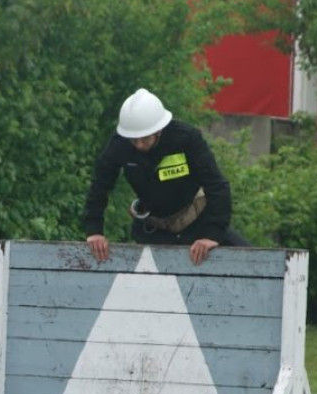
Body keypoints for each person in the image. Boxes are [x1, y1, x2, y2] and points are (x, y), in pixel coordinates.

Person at [81, 88, 249, 265]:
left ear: (158, 130)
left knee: (253, 261)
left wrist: (211, 235)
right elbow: (100, 186)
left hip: (199, 224)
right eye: (133, 139)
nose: (138, 145)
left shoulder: (186, 138)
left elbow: (216, 185)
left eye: (144, 138)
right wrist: (94, 231)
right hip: (154, 231)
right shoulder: (119, 145)